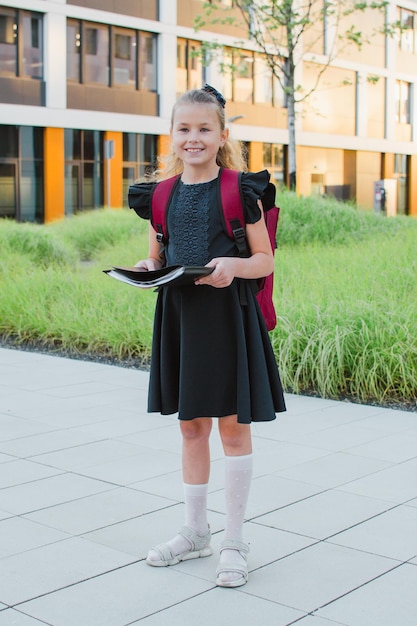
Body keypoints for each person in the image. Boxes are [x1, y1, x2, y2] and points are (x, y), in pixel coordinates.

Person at [128, 84, 286, 588]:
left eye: (203, 129)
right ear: (171, 135)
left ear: (221, 135)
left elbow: (264, 259)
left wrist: (234, 266)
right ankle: (196, 532)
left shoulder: (242, 191)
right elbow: (159, 251)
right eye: (183, 128)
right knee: (191, 427)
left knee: (233, 428)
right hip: (179, 318)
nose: (192, 138)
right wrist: (145, 266)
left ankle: (235, 541)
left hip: (227, 318)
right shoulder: (158, 195)